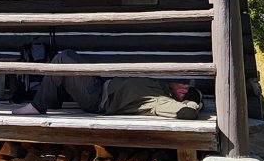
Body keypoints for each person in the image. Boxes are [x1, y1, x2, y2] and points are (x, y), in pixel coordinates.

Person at [11, 49, 203, 119]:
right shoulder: (163, 87)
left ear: (182, 98)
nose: (181, 87)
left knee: (62, 60)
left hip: (98, 100)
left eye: (185, 91)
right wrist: (171, 86)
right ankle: (50, 100)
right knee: (68, 54)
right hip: (100, 84)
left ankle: (37, 106)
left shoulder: (160, 101)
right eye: (183, 86)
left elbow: (187, 112)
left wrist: (193, 101)